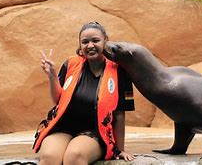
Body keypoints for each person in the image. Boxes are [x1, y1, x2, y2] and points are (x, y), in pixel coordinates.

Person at [32, 21, 136, 165]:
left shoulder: (120, 70)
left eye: (95, 40)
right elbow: (58, 100)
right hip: (64, 127)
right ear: (80, 45)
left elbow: (120, 114)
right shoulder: (70, 64)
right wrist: (52, 77)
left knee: (74, 156)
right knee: (49, 157)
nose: (90, 45)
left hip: (96, 131)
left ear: (106, 40)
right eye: (85, 42)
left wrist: (120, 149)